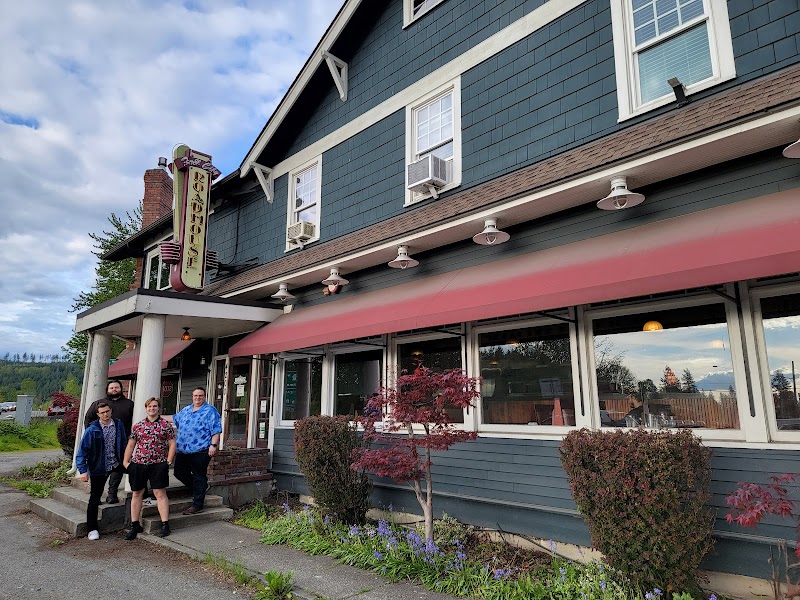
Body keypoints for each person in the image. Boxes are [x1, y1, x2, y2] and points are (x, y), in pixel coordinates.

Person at [123, 397, 176, 539]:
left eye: (154, 406)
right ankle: (135, 525)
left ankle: (165, 524)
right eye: (149, 406)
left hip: (158, 464)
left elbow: (172, 444)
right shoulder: (138, 426)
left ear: (159, 408)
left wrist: (168, 461)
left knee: (160, 493)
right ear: (146, 408)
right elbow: (130, 444)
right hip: (139, 463)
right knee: (136, 493)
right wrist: (126, 462)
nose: (152, 408)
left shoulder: (166, 425)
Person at [76, 401, 127, 541]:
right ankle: (92, 529)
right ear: (98, 414)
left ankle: (135, 521)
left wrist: (127, 460)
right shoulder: (92, 430)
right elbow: (82, 451)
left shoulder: (118, 424)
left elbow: (123, 443)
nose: (105, 414)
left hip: (116, 462)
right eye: (102, 412)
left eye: (107, 411)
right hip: (99, 466)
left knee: (138, 477)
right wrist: (83, 470)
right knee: (95, 498)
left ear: (111, 411)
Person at [165, 387, 221, 515]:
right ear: (192, 396)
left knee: (199, 475)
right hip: (183, 450)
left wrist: (213, 445)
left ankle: (197, 504)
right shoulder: (186, 410)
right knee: (179, 472)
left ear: (204, 396)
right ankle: (199, 489)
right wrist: (156, 415)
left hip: (201, 449)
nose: (197, 398)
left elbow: (216, 429)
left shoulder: (210, 411)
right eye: (195, 396)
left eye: (200, 396)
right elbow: (174, 418)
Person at [84, 380, 134, 504]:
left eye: (116, 387)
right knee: (100, 469)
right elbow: (88, 418)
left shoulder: (129, 404)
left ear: (121, 389)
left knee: (118, 468)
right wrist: (94, 436)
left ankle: (112, 494)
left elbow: (134, 421)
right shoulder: (99, 404)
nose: (114, 389)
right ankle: (96, 495)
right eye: (111, 387)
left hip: (121, 442)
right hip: (101, 442)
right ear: (107, 389)